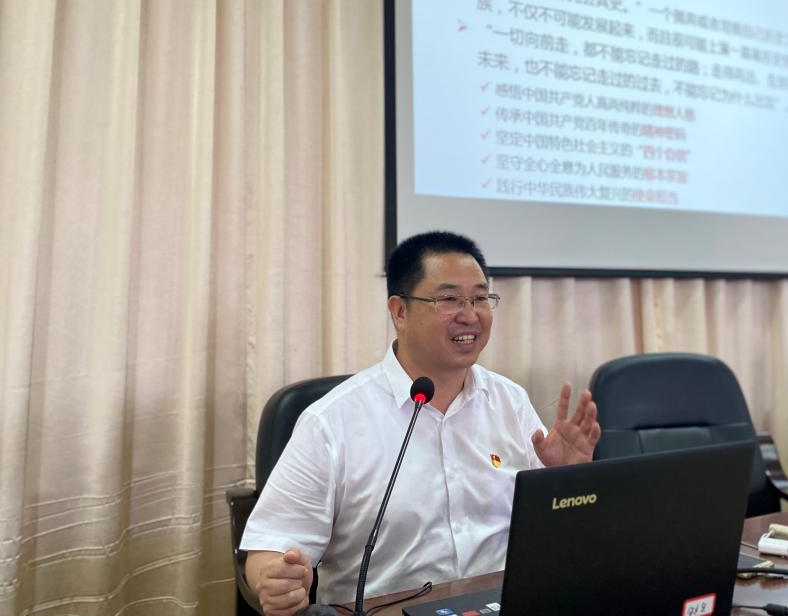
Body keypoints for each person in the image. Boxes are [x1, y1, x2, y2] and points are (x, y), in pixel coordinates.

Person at [241, 231, 601, 615]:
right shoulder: (331, 421)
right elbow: (270, 547)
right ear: (399, 311)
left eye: (480, 298)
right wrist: (276, 579)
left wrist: (568, 480)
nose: (470, 314)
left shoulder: (509, 401)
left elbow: (554, 541)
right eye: (449, 299)